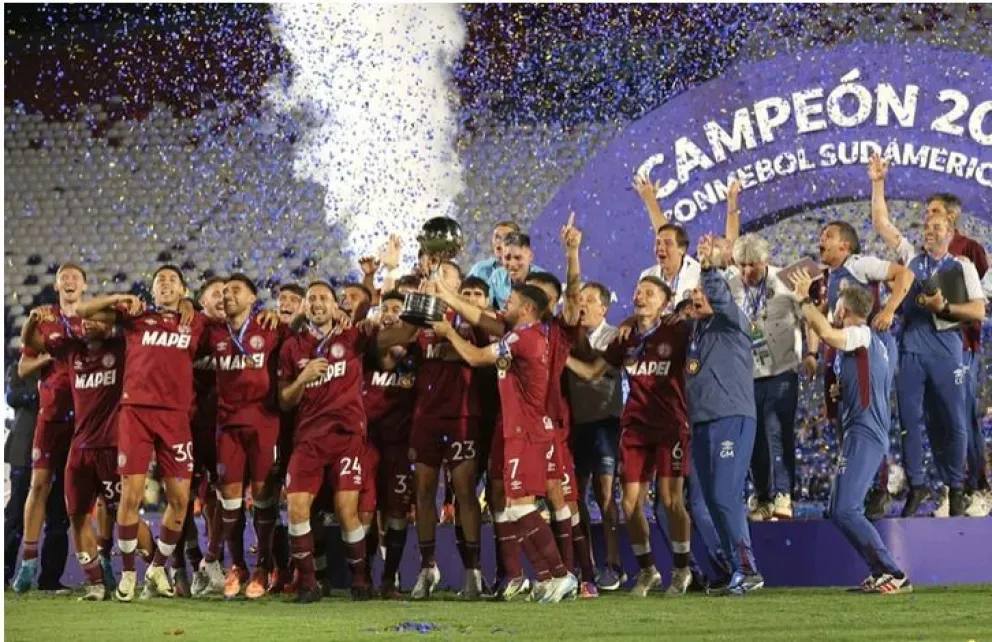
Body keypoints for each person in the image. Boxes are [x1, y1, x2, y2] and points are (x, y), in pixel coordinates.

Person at [431, 284, 579, 603]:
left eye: (510, 301)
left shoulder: (522, 338)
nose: (504, 305)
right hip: (521, 431)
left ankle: (561, 573)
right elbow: (481, 317)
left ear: (525, 309)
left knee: (522, 507)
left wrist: (449, 333)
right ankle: (547, 577)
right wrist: (446, 295)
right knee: (514, 509)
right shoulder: (526, 333)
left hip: (526, 432)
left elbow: (476, 357)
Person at [276, 280, 416, 603]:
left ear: (335, 305)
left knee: (345, 510)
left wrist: (399, 311)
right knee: (297, 508)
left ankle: (360, 580)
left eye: (324, 298)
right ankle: (309, 584)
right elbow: (284, 400)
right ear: (304, 307)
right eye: (312, 299)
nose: (317, 304)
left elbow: (404, 337)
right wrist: (302, 378)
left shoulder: (353, 337)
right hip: (308, 440)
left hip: (347, 438)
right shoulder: (291, 348)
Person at [75, 264, 208, 602]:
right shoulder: (135, 316)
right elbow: (82, 310)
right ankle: (129, 574)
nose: (165, 283)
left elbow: (225, 316)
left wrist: (193, 306)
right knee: (130, 496)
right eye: (159, 280)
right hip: (135, 414)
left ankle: (157, 567)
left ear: (182, 291)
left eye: (172, 280)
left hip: (176, 418)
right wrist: (121, 296)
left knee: (180, 500)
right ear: (152, 290)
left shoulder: (196, 321)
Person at [871, 163, 990, 516]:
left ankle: (956, 488)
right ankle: (918, 487)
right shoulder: (911, 258)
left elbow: (979, 311)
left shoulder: (963, 265)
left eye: (936, 225)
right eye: (926, 225)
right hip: (912, 347)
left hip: (948, 349)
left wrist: (945, 306)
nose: (928, 229)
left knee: (955, 420)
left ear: (950, 230)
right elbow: (882, 223)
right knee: (909, 420)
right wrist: (878, 184)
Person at [567, 275, 694, 597]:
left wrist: (682, 313)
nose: (641, 297)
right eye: (638, 292)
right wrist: (559, 356)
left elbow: (699, 314)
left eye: (650, 293)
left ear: (665, 302)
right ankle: (648, 570)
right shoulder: (625, 338)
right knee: (629, 504)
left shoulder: (677, 330)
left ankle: (681, 569)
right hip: (635, 428)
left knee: (670, 500)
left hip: (670, 427)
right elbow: (593, 372)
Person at [791, 273, 913, 594]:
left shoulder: (861, 333)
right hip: (863, 430)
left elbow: (828, 333)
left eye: (836, 308)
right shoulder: (878, 342)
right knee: (837, 509)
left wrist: (805, 300)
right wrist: (842, 390)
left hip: (865, 432)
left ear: (844, 312)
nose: (833, 313)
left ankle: (893, 572)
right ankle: (879, 571)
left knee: (845, 508)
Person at [22, 307, 153, 601]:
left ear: (111, 326)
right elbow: (33, 343)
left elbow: (138, 326)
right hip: (79, 449)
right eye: (86, 319)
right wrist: (32, 322)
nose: (89, 322)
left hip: (114, 447)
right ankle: (95, 584)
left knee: (125, 515)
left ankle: (157, 567)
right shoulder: (72, 350)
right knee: (77, 516)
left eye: (98, 319)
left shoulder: (122, 348)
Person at [814, 219, 914, 518]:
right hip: (843, 349)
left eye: (828, 235)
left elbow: (904, 274)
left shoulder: (859, 264)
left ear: (845, 245)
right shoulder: (827, 277)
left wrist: (888, 309)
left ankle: (879, 491)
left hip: (869, 344)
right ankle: (851, 492)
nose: (821, 239)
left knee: (867, 415)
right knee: (844, 418)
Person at [202, 273, 292, 599]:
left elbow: (303, 336)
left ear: (253, 298)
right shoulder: (212, 332)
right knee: (228, 500)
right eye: (224, 292)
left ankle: (263, 566)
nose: (227, 296)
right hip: (227, 427)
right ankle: (237, 565)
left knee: (264, 496)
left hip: (265, 424)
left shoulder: (272, 328)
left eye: (235, 291)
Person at [686, 235, 763, 595]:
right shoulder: (696, 333)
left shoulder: (734, 320)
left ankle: (748, 569)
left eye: (702, 291)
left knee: (724, 495)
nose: (696, 295)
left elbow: (718, 294)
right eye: (693, 292)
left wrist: (708, 268)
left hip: (731, 416)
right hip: (701, 422)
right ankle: (730, 569)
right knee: (705, 502)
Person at [406, 262, 485, 600]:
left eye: (444, 277)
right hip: (426, 419)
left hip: (463, 417)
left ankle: (473, 572)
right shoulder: (420, 322)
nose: (435, 282)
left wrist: (451, 333)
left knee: (465, 491)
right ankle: (427, 567)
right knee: (423, 492)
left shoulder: (473, 321)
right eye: (432, 278)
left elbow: (481, 355)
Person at [11, 263, 85, 593]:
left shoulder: (93, 320)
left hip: (85, 418)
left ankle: (52, 578)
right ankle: (26, 565)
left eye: (75, 277)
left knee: (70, 501)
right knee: (37, 486)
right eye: (63, 277)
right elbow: (25, 367)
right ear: (56, 286)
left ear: (84, 286)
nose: (69, 281)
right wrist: (49, 354)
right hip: (51, 415)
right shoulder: (43, 320)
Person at [725, 233, 805, 520]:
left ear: (765, 261)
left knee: (777, 431)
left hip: (782, 370)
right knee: (753, 438)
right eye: (741, 265)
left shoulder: (787, 281)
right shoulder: (730, 285)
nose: (746, 272)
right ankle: (762, 497)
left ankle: (784, 493)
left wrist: (811, 355)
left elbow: (808, 316)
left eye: (752, 265)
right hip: (747, 375)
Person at [566, 280, 626, 591]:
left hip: (605, 424)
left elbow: (590, 369)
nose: (584, 305)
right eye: (580, 299)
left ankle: (614, 563)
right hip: (578, 427)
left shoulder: (615, 337)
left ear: (604, 307)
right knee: (575, 497)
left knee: (604, 497)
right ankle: (584, 563)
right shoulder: (570, 336)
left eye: (590, 300)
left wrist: (561, 355)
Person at [360, 290, 417, 599]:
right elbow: (382, 352)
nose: (391, 312)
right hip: (366, 442)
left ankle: (389, 579)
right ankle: (364, 577)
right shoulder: (369, 343)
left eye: (398, 308)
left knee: (396, 514)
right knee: (365, 511)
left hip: (400, 445)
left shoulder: (416, 351)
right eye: (386, 307)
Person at [5, 362, 45, 587]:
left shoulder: (62, 363)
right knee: (16, 512)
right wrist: (40, 393)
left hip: (55, 444)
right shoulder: (19, 366)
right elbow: (12, 396)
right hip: (23, 446)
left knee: (57, 516)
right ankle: (5, 571)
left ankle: (50, 578)